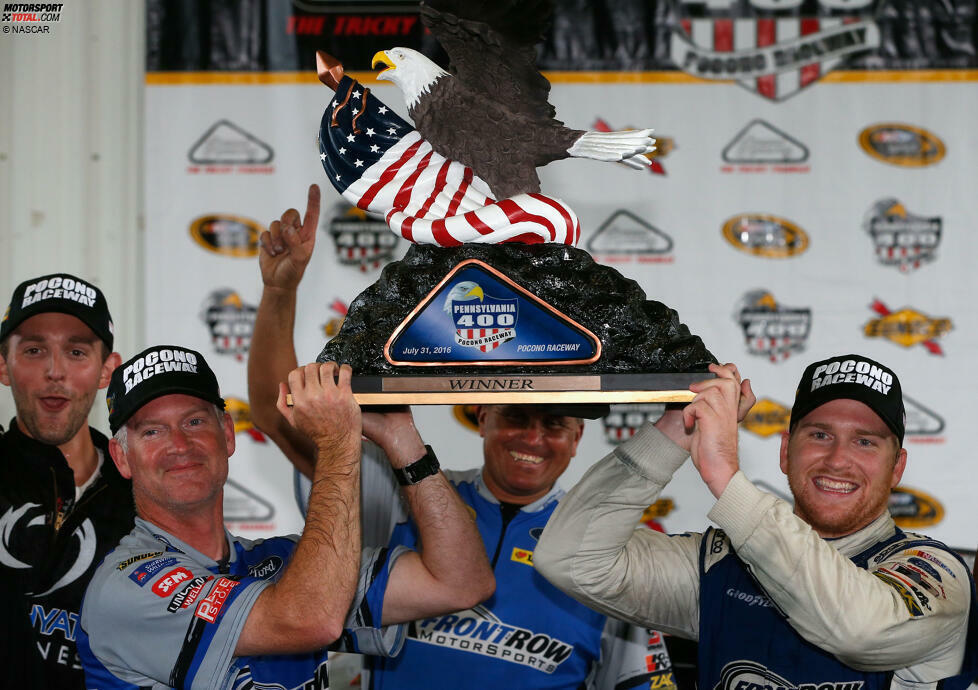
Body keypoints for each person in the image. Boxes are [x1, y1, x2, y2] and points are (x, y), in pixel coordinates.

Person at [248, 184, 677, 689]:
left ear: (579, 436)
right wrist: (280, 293)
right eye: (518, 416)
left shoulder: (600, 546)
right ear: (481, 414)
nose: (534, 438)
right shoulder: (405, 494)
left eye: (556, 424)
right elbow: (280, 415)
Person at [535, 356, 978, 689]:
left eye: (865, 441)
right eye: (820, 434)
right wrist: (676, 428)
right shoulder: (721, 563)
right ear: (785, 451)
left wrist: (727, 479)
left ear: (896, 467)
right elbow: (569, 560)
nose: (838, 460)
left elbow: (861, 632)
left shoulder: (934, 571)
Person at [77, 345, 494, 688]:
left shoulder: (285, 564)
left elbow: (461, 583)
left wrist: (401, 437)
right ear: (121, 457)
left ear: (226, 434)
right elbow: (310, 620)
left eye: (194, 421)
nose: (179, 444)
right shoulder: (126, 584)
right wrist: (336, 442)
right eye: (152, 431)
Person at [0, 272, 130, 689]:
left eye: (76, 351)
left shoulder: (147, 497)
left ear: (108, 370)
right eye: (35, 350)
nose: (55, 371)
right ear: (3, 365)